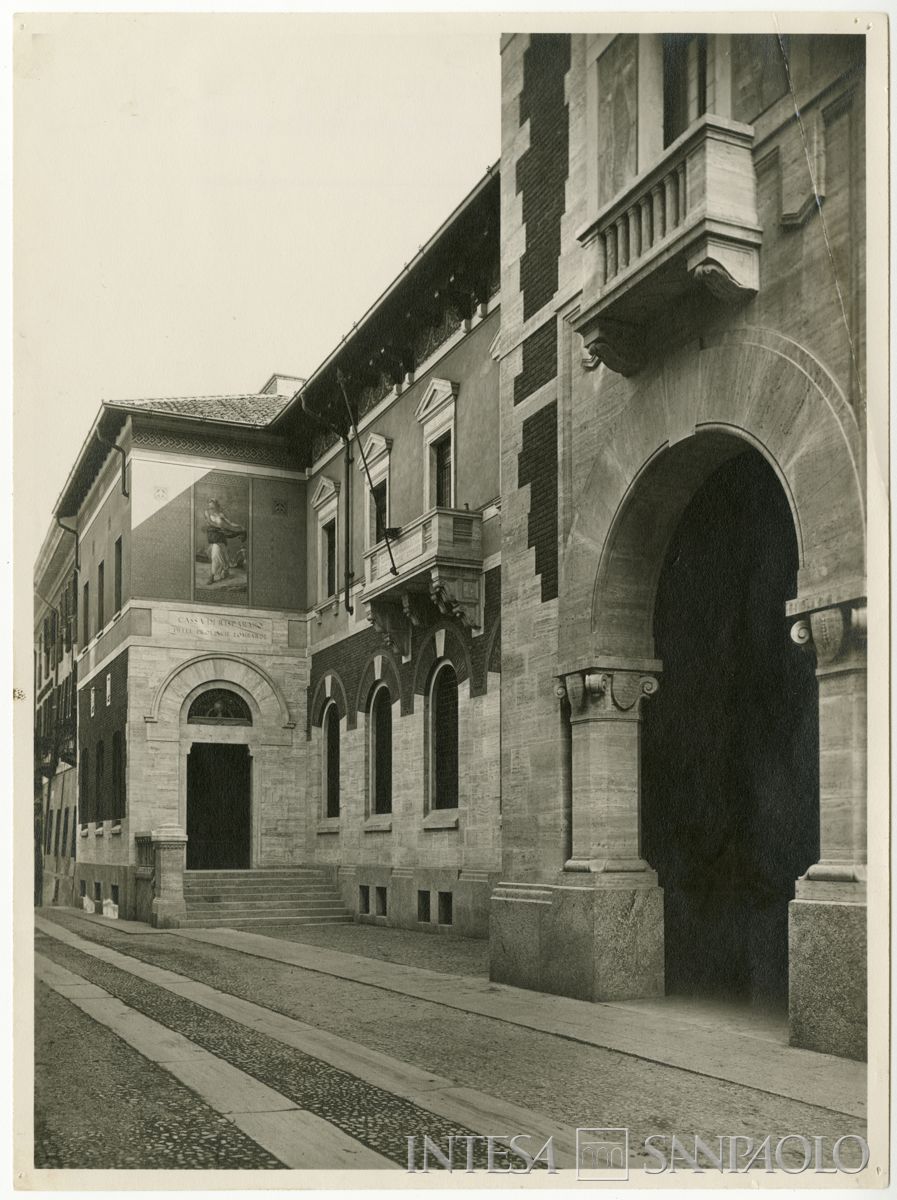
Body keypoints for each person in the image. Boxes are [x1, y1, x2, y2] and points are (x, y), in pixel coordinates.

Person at [204, 499, 246, 583]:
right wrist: (220, 527)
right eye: (209, 506)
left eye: (212, 505)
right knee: (216, 555)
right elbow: (210, 522)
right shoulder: (207, 513)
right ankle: (212, 576)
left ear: (216, 505)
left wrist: (240, 526)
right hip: (214, 536)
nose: (210, 507)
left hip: (221, 536)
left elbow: (230, 523)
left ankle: (225, 570)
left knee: (223, 555)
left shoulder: (221, 515)